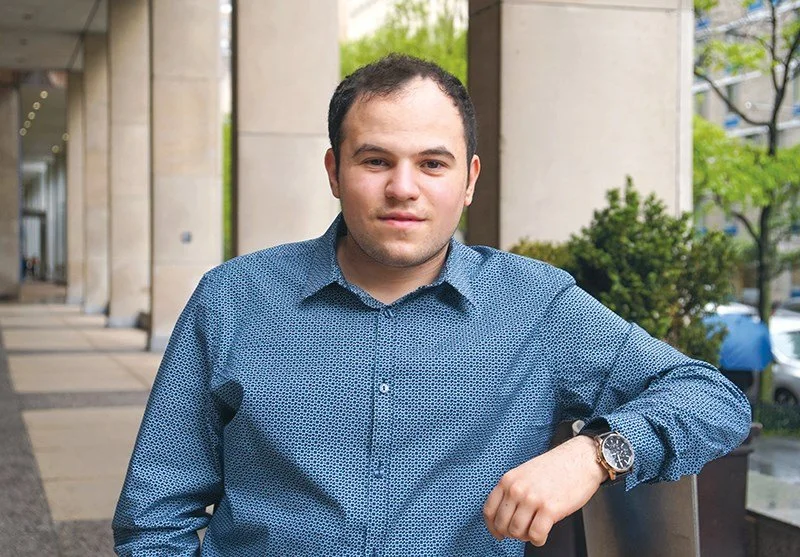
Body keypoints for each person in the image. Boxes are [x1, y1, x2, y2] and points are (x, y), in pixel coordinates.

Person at [112, 54, 751, 557]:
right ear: (334, 172)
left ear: (469, 180)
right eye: (375, 160)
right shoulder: (233, 301)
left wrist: (594, 454)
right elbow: (154, 514)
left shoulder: (535, 307)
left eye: (432, 163)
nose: (403, 188)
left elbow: (710, 399)